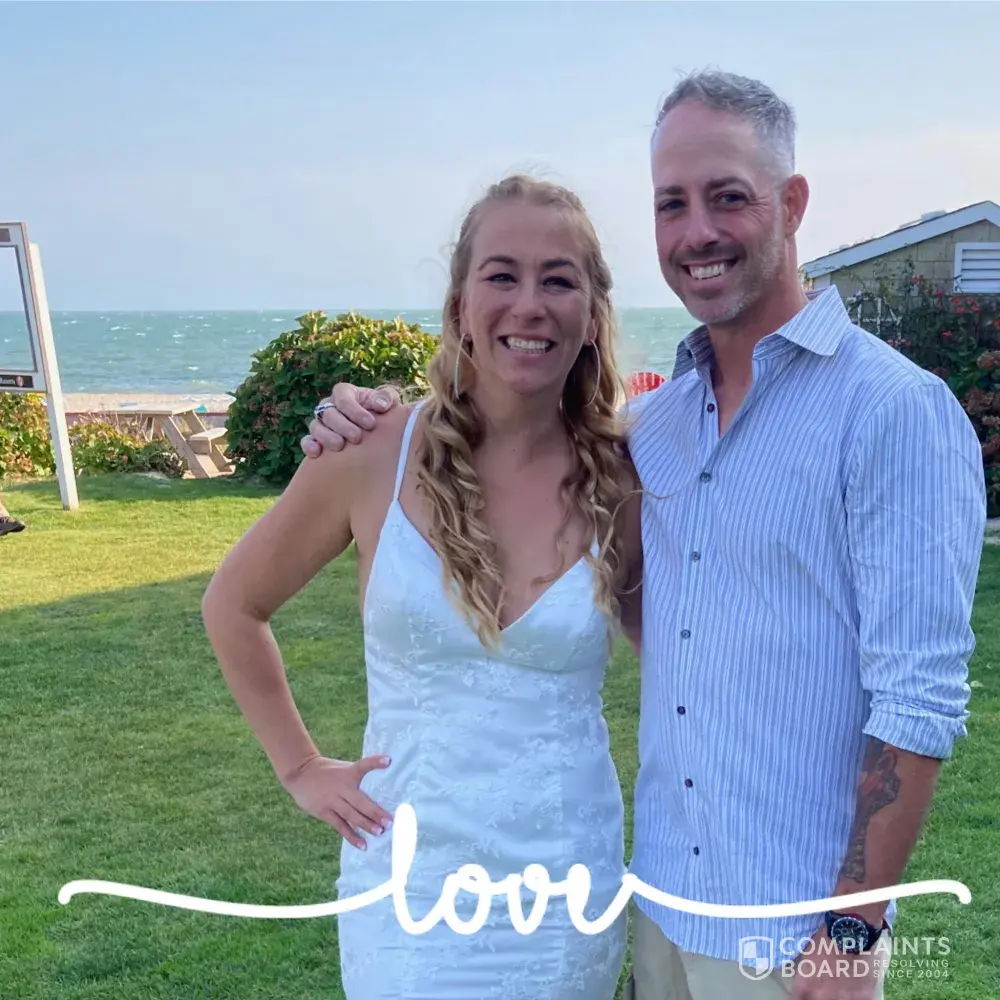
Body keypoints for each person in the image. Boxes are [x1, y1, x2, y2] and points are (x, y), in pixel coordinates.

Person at [301, 71, 986, 999]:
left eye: (728, 197)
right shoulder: (650, 434)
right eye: (672, 203)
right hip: (654, 909)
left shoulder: (893, 411)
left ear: (791, 204)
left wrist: (853, 926)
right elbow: (641, 613)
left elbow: (918, 700)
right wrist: (360, 419)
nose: (697, 231)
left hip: (789, 932)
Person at [203, 174, 644, 1000]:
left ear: (592, 313)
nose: (530, 304)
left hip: (564, 890)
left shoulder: (626, 477)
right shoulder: (372, 451)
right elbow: (234, 604)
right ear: (459, 306)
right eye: (502, 275)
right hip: (407, 893)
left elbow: (684, 656)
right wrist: (300, 767)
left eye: (558, 280)